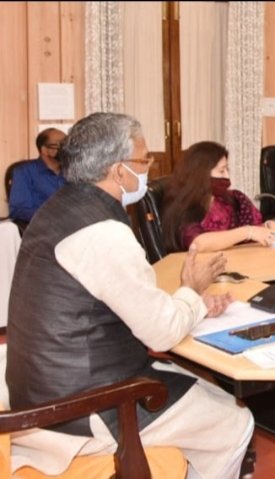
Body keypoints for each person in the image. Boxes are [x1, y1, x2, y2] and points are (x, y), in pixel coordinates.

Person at [5, 112, 254, 478]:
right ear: (119, 171)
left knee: (209, 391)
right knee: (234, 419)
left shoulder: (58, 208)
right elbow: (162, 334)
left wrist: (196, 305)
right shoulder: (102, 232)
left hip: (40, 387)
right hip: (82, 408)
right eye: (144, 160)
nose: (149, 168)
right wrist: (193, 287)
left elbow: (112, 300)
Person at [162, 141, 275, 253]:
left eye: (227, 169)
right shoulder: (185, 206)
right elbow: (197, 244)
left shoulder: (233, 199)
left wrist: (267, 227)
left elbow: (246, 234)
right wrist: (249, 232)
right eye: (221, 171)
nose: (227, 176)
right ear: (200, 174)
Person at [9, 128, 67, 224]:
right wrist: (52, 216)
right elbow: (18, 210)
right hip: (42, 226)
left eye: (67, 144)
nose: (65, 149)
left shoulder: (72, 171)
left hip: (73, 225)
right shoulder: (24, 172)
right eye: (59, 144)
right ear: (44, 150)